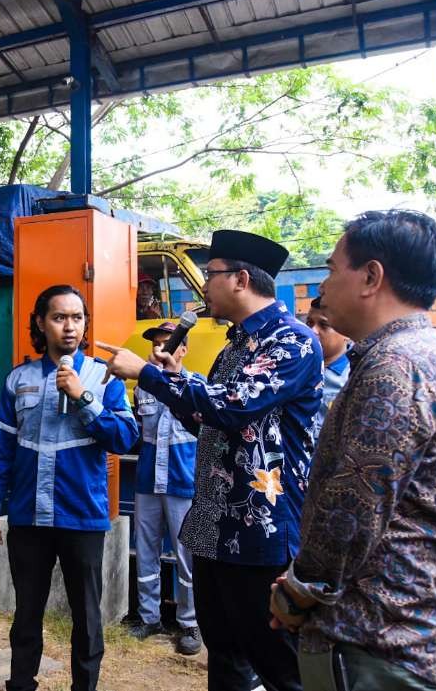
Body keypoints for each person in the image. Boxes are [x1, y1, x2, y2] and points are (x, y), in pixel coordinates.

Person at [98, 229, 322, 691]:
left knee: (279, 666)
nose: (204, 285)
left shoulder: (293, 342)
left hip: (259, 530)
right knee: (225, 657)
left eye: (211, 274)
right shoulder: (233, 346)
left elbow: (235, 404)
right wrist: (170, 377)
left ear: (240, 279)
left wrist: (146, 374)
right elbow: (210, 420)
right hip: (213, 526)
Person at [269, 210, 436, 691]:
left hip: (372, 643)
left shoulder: (394, 369)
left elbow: (349, 516)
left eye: (330, 268)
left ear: (370, 276)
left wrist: (298, 593)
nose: (321, 286)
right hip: (400, 637)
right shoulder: (431, 357)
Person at [0, 284, 139, 691]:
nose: (70, 327)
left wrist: (84, 397)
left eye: (77, 318)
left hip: (82, 515)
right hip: (29, 515)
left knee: (87, 615)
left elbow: (124, 438)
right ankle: (21, 683)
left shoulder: (104, 377)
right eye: (59, 317)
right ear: (40, 322)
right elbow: (2, 449)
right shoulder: (19, 379)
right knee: (27, 611)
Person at [128, 321, 202, 655]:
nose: (159, 351)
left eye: (167, 344)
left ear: (182, 349)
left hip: (183, 484)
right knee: (146, 552)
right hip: (147, 483)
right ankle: (149, 617)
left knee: (187, 558)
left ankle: (190, 623)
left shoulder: (197, 387)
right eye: (156, 344)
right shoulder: (142, 389)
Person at [305, 296, 352, 434]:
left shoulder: (353, 375)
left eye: (324, 325)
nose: (313, 331)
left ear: (346, 331)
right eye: (309, 323)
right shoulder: (298, 367)